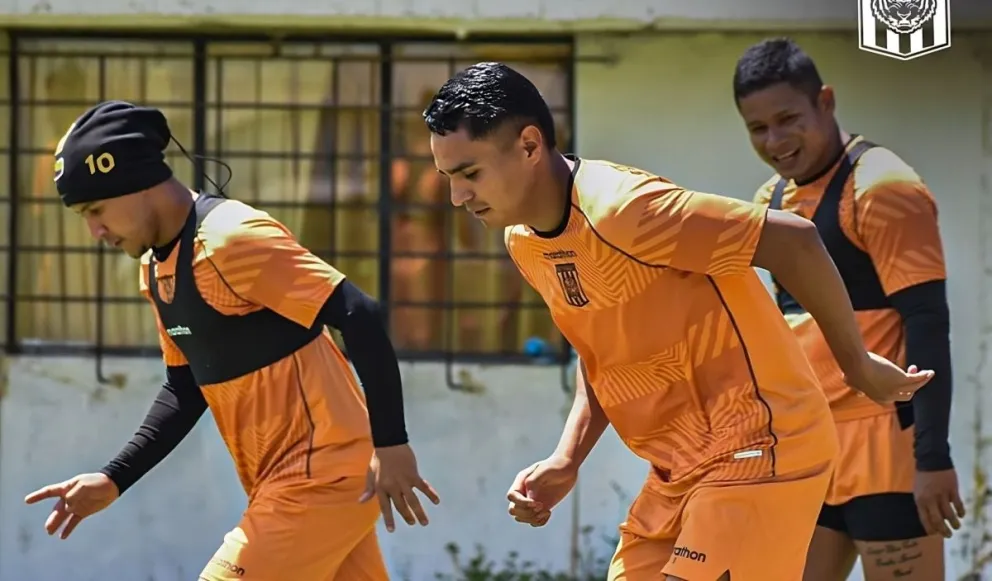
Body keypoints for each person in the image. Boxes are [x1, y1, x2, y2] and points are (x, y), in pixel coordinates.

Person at [422, 62, 934, 581]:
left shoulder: (625, 210)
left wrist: (855, 365)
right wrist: (567, 458)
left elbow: (795, 240)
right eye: (448, 178)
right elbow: (601, 348)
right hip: (677, 473)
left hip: (759, 446)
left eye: (470, 174)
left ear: (530, 146)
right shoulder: (525, 240)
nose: (457, 197)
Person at [24, 100, 440, 580]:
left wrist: (392, 445)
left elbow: (359, 313)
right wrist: (114, 478)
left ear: (136, 182)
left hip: (320, 478)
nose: (94, 231)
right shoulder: (155, 268)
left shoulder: (230, 238)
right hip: (288, 483)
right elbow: (185, 388)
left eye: (96, 209)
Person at [734, 38, 962, 581]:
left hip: (887, 453)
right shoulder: (770, 199)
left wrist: (932, 459)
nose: (776, 140)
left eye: (788, 118)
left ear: (826, 102)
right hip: (809, 451)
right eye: (758, 128)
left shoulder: (883, 187)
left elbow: (928, 324)